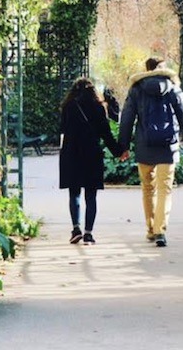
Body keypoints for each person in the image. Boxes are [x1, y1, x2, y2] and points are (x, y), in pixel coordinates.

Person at [118, 57, 183, 248]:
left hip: (144, 145)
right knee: (165, 188)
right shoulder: (173, 87)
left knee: (148, 188)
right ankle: (160, 230)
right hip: (168, 145)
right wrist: (179, 129)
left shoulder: (136, 89)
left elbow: (126, 119)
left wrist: (123, 145)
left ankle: (150, 229)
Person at [59, 77, 127, 245]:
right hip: (92, 154)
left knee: (74, 193)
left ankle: (76, 229)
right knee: (91, 195)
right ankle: (88, 233)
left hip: (71, 154)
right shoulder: (98, 108)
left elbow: (62, 129)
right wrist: (119, 151)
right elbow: (106, 134)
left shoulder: (68, 107)